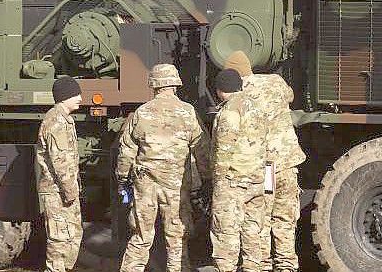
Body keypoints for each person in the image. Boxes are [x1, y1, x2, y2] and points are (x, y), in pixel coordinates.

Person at [116, 64, 211, 272]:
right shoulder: (188, 113)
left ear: (153, 85)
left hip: (145, 186)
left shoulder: (141, 113)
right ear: (176, 84)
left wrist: (123, 180)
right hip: (176, 188)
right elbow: (202, 149)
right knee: (177, 238)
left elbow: (126, 152)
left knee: (141, 237)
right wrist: (207, 179)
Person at [224, 51, 305, 272]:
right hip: (288, 164)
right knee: (286, 219)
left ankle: (262, 265)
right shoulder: (276, 82)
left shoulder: (239, 94)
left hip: (266, 167)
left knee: (262, 218)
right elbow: (290, 96)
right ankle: (287, 265)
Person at [210, 68, 270, 272]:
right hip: (257, 179)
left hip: (232, 180)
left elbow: (223, 149)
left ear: (220, 90)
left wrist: (218, 181)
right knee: (253, 230)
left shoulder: (229, 111)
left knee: (226, 233)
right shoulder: (256, 106)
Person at [35, 76, 84, 272]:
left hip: (64, 192)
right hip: (58, 193)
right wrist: (71, 192)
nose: (80, 97)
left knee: (72, 236)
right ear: (65, 97)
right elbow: (60, 162)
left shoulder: (64, 119)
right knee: (59, 241)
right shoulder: (56, 121)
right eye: (76, 94)